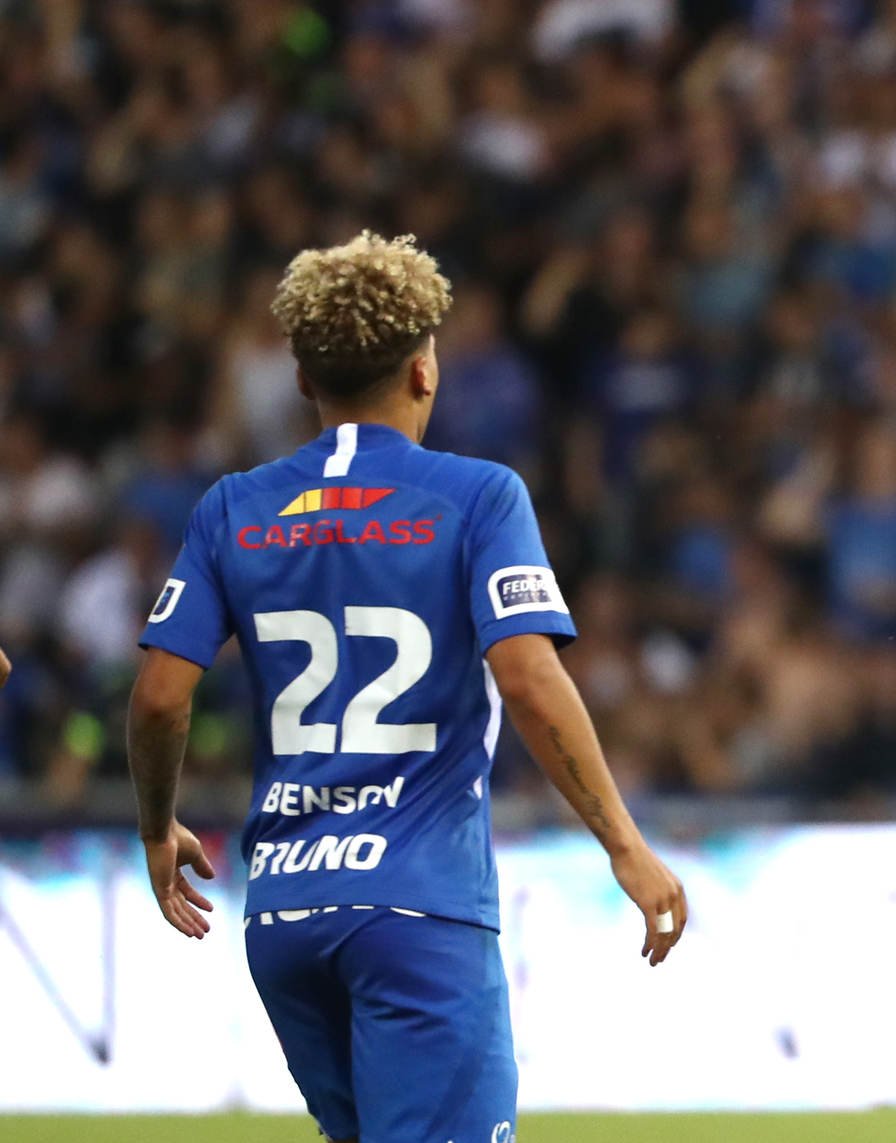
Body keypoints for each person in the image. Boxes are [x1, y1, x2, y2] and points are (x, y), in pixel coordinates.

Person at [126, 232, 688, 1143]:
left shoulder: (232, 505)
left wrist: (156, 826)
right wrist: (624, 842)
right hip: (418, 907)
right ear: (426, 369)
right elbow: (529, 677)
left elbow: (157, 694)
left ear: (304, 378)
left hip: (284, 909)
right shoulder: (479, 497)